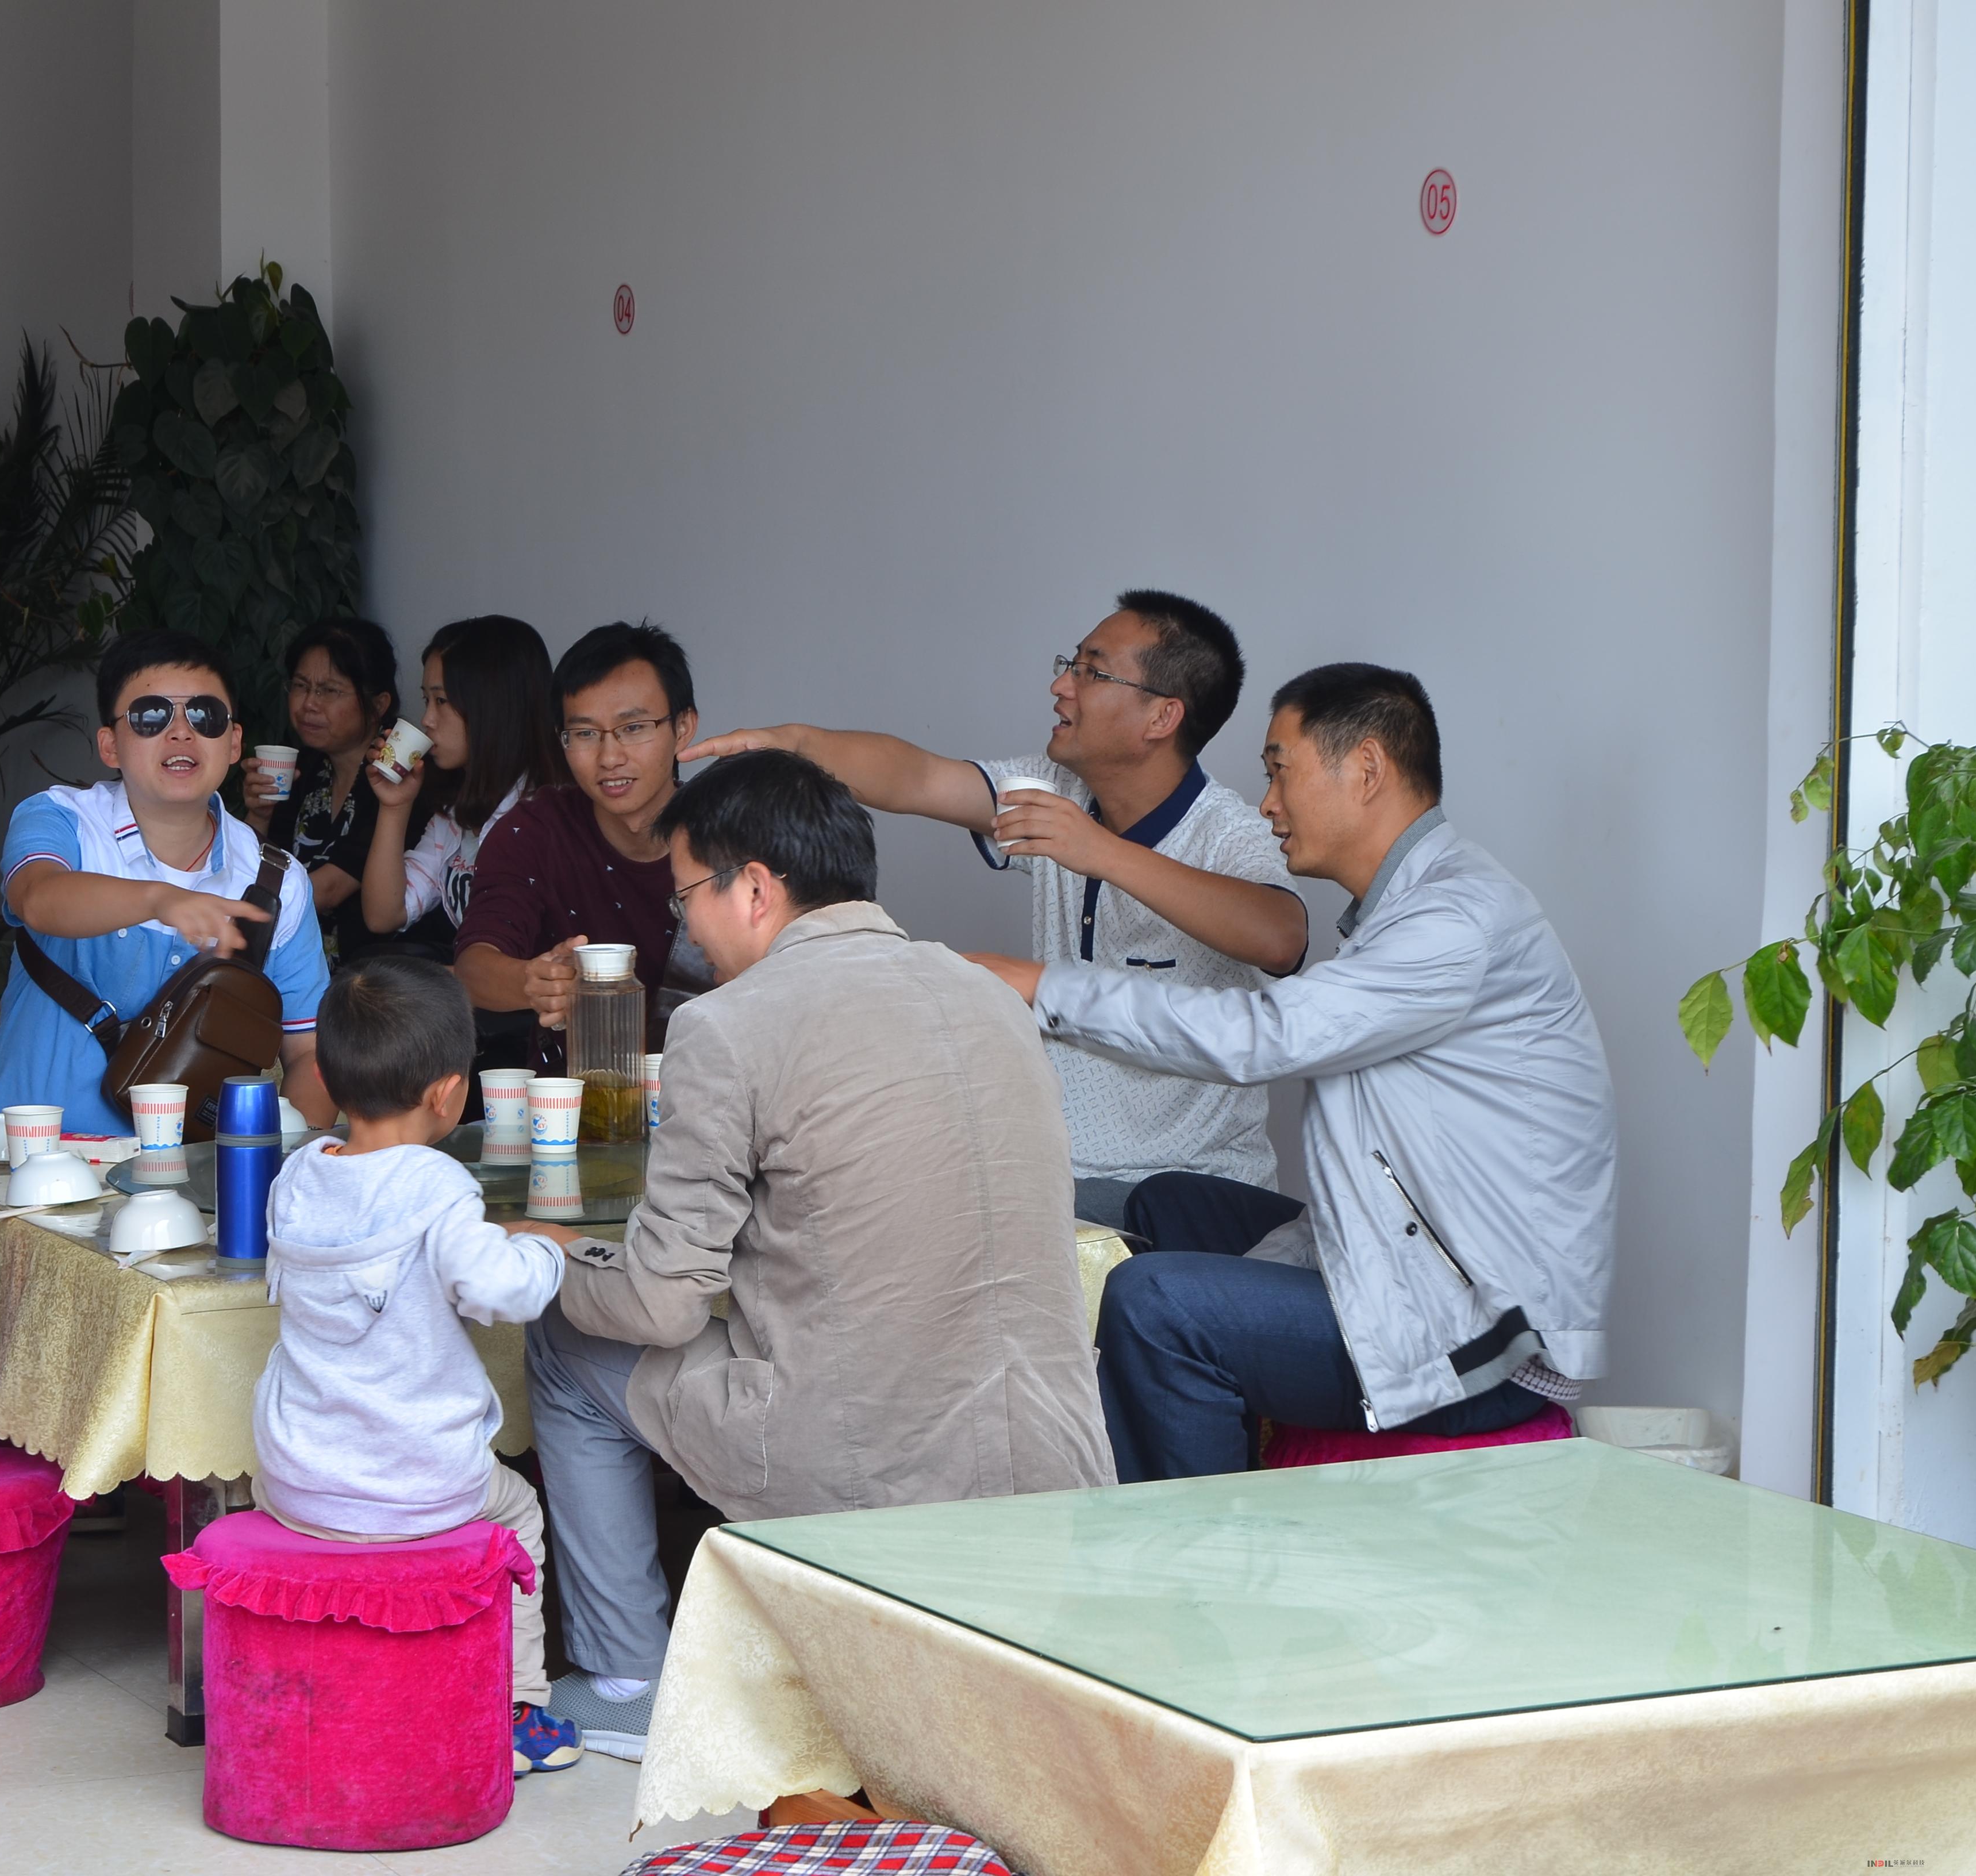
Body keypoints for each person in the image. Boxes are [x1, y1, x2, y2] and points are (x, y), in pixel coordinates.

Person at [514, 749, 1115, 1757]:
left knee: (559, 1336)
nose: (686, 930)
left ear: (753, 888)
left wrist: (561, 1256)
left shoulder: (726, 1024)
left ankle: (629, 1677)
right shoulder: (987, 996)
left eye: (686, 899)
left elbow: (663, 1302)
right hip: (1052, 1454)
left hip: (860, 1466)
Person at [966, 665, 1617, 1482]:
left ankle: (1193, 1554)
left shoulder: (1454, 923)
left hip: (1479, 1340)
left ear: (1367, 768)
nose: (1267, 804)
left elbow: (1265, 1037)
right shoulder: (1410, 909)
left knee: (1155, 1302)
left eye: (1280, 771)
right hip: (1420, 1272)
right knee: (1172, 1202)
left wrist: (1045, 987)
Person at [687, 591, 1305, 1227]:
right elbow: (919, 778)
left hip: (1184, 1196)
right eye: (1071, 664)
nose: (1060, 686)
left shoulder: (1228, 833)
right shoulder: (1055, 792)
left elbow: (1280, 938)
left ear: (1162, 717)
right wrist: (791, 745)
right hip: (1056, 1177)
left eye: (1092, 672)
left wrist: (1101, 852)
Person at [251, 952, 584, 1778]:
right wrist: (545, 1251)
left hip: (297, 1479)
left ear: (325, 1077)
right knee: (518, 1515)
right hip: (418, 1481)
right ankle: (518, 1709)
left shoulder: (297, 1178)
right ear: (448, 1094)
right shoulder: (439, 1185)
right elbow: (496, 1288)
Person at [0, 629, 336, 1137]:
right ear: (110, 745)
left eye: (205, 715)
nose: (182, 733)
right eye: (151, 716)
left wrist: (274, 1158)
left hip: (184, 1176)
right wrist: (160, 900)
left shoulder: (276, 881)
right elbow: (37, 898)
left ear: (234, 742)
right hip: (24, 1161)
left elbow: (310, 1056)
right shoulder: (62, 819)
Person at [455, 621, 714, 1041]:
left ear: (682, 728)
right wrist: (533, 981)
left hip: (711, 1076)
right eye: (585, 734)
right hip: (570, 1081)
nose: (609, 757)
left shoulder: (730, 835)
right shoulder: (535, 830)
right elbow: (473, 967)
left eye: (633, 728)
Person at [359, 615, 570, 1082]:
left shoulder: (550, 812)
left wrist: (447, 978)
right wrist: (395, 807)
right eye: (426, 699)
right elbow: (384, 914)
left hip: (537, 1040)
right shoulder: (459, 814)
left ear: (492, 706)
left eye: (442, 701)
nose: (427, 720)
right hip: (481, 1028)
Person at [243, 617, 398, 959]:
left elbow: (329, 891)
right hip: (290, 959)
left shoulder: (396, 778)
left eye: (330, 691)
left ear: (379, 704)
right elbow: (257, 873)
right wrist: (260, 815)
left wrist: (233, 914)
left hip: (366, 974)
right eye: (301, 686)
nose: (309, 704)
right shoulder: (306, 769)